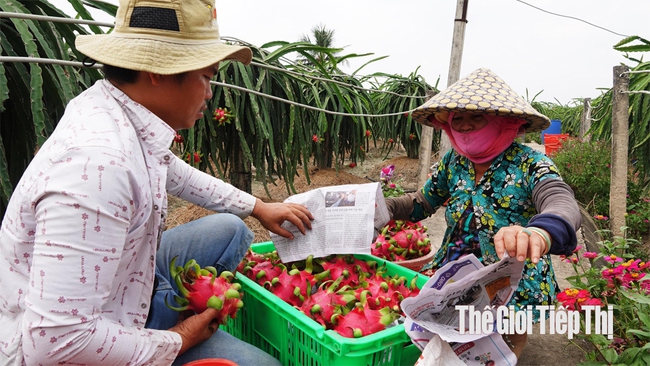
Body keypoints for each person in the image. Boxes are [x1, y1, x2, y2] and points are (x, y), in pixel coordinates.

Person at [0, 0, 313, 364]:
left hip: (123, 286)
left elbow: (176, 173)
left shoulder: (115, 110)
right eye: (208, 77)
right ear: (159, 71)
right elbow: (57, 343)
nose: (210, 93)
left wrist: (259, 207)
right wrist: (179, 339)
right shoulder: (99, 166)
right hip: (74, 344)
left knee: (231, 228)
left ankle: (161, 305)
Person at [385, 68, 581, 358]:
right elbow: (423, 202)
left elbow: (560, 201)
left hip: (513, 276)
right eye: (458, 118)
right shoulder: (453, 161)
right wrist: (385, 208)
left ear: (505, 121)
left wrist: (538, 232)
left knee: (504, 342)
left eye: (477, 117)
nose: (464, 126)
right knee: (449, 338)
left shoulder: (531, 164)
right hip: (457, 268)